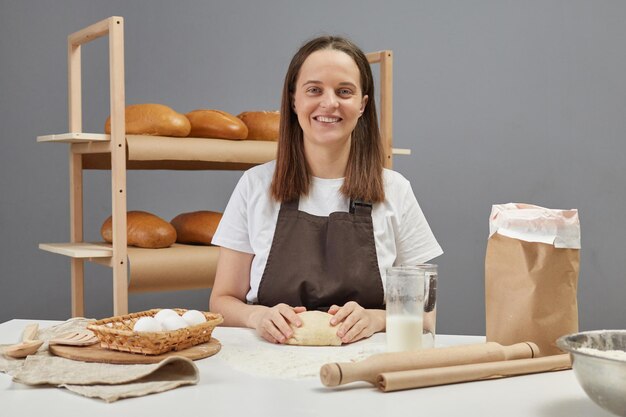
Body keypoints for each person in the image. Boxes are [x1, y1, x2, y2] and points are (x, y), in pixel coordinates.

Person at [209, 35, 442, 345]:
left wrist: (376, 318)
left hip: (366, 370)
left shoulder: (394, 190)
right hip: (268, 366)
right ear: (294, 100)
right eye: (314, 90)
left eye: (344, 91)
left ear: (362, 105)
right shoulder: (255, 185)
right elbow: (222, 300)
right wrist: (258, 316)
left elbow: (426, 315)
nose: (329, 103)